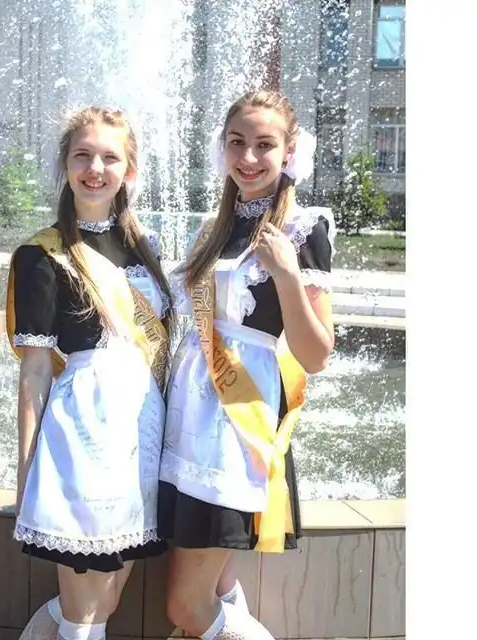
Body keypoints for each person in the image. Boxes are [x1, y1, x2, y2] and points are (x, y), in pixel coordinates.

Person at [157, 89, 337, 639]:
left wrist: (286, 274)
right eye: (238, 142)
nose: (250, 157)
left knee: (185, 606)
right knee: (212, 591)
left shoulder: (304, 228)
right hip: (187, 416)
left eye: (265, 145)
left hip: (236, 424)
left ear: (288, 152)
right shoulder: (211, 229)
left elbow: (316, 355)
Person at [5, 107, 174, 640]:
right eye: (83, 155)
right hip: (82, 432)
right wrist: (26, 466)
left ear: (129, 169)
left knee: (106, 599)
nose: (95, 168)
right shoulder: (40, 255)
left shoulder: (147, 247)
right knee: (87, 614)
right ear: (66, 164)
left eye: (109, 157)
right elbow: (35, 372)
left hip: (142, 431)